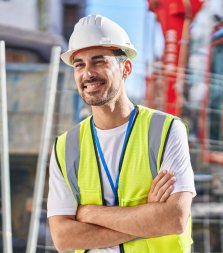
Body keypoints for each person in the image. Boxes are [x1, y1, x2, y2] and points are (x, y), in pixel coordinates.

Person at [47, 14, 196, 253]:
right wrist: (148, 219)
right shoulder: (65, 147)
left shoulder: (165, 130)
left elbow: (174, 219)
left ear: (125, 68)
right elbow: (64, 238)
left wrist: (90, 213)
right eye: (80, 65)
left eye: (99, 62)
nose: (88, 73)